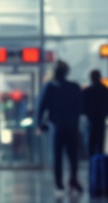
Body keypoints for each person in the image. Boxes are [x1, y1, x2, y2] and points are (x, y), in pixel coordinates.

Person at [36, 60, 84, 193]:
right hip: (72, 126)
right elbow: (80, 107)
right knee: (73, 156)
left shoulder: (49, 87)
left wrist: (39, 124)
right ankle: (73, 180)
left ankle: (59, 183)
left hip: (56, 127)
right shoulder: (74, 87)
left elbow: (41, 107)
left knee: (57, 156)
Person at [81, 69, 108, 157]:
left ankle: (93, 168)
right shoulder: (105, 90)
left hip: (90, 122)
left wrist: (88, 113)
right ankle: (100, 168)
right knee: (100, 147)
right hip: (101, 121)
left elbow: (81, 107)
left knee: (90, 147)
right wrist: (103, 113)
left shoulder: (87, 91)